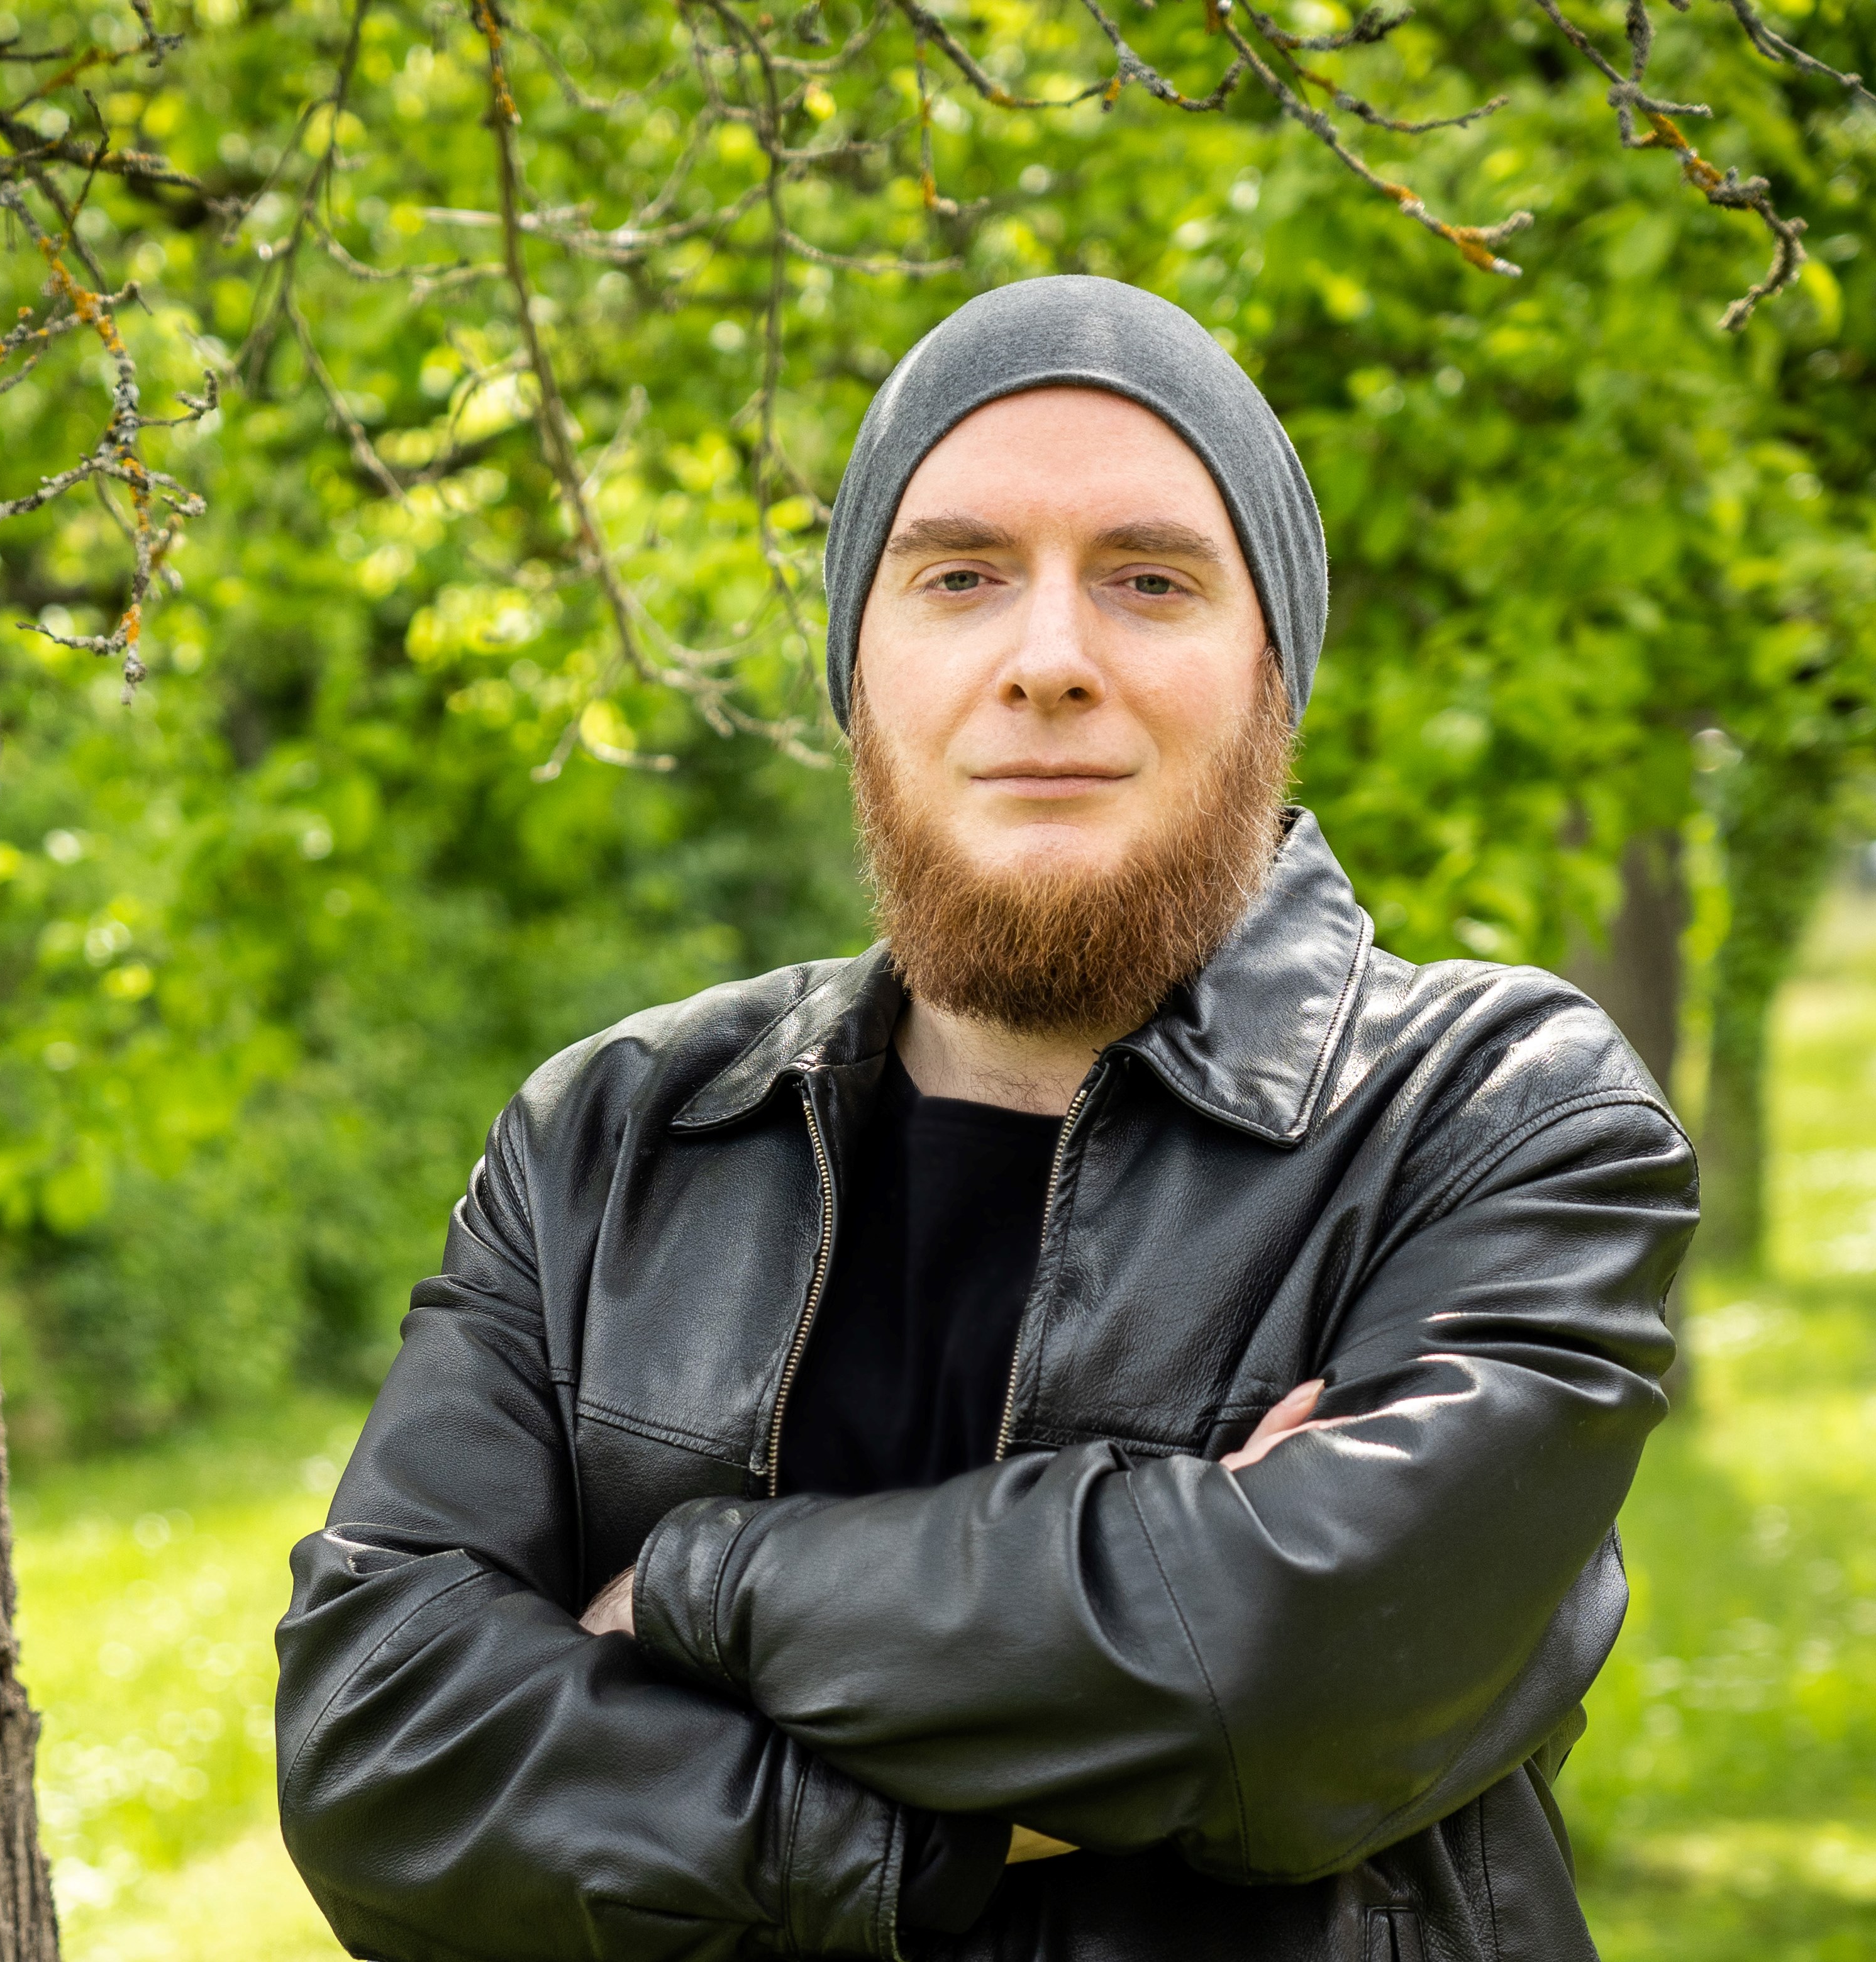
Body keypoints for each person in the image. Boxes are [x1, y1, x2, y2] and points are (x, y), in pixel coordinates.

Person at [275, 276, 1696, 1962]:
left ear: (1272, 669)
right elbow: (383, 1757)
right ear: (856, 673)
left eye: (1149, 580)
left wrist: (691, 1593)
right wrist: (970, 1804)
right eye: (959, 576)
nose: (1048, 662)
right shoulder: (612, 1142)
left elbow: (1290, 1678)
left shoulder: (1497, 1114)